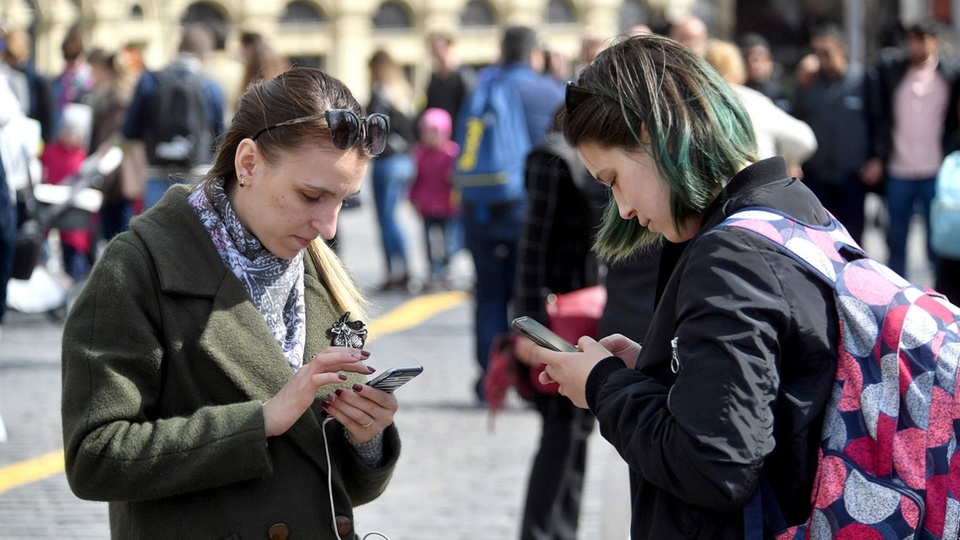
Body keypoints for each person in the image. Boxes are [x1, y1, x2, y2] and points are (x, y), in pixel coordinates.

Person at [61, 66, 402, 539]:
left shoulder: (317, 273)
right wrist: (259, 422)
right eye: (311, 196)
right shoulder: (140, 266)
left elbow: (325, 483)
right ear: (248, 164)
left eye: (345, 201)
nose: (329, 227)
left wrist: (367, 439)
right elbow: (94, 456)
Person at [529, 34, 842, 538]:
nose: (622, 208)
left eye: (613, 179)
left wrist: (602, 386)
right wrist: (662, 370)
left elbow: (714, 465)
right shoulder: (792, 208)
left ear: (652, 137)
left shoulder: (731, 257)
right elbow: (768, 398)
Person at [512, 107, 602, 540]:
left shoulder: (584, 156)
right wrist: (529, 328)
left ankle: (562, 531)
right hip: (555, 320)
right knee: (561, 432)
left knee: (577, 431)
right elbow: (533, 246)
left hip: (586, 313)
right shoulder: (553, 158)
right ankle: (541, 533)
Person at [461, 25, 564, 402]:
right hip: (526, 210)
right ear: (535, 53)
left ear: (502, 52)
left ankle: (489, 376)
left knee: (488, 294)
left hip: (479, 209)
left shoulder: (482, 89)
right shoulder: (549, 92)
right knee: (527, 293)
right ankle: (528, 377)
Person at [872, 20, 960, 278]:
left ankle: (938, 297)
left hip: (936, 170)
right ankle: (896, 297)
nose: (916, 46)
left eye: (922, 40)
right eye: (911, 40)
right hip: (899, 169)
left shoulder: (949, 74)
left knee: (939, 243)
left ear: (935, 42)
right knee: (895, 241)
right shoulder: (893, 70)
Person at [792, 23, 882, 244]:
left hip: (852, 177)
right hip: (815, 177)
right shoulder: (808, 82)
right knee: (816, 241)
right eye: (816, 52)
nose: (820, 58)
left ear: (841, 50)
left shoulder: (863, 79)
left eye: (826, 52)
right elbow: (795, 123)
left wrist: (877, 158)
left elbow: (878, 120)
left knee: (852, 241)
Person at [121, 23, 226, 211]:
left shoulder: (149, 81)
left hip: (156, 172)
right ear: (205, 56)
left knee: (154, 227)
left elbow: (129, 131)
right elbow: (220, 137)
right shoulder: (210, 86)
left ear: (178, 48)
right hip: (196, 176)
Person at [703, 39, 817, 178]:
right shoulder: (751, 99)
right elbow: (805, 139)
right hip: (757, 180)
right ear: (737, 67)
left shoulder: (695, 103)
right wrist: (785, 161)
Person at [367, 48, 417, 290]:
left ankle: (396, 271)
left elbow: (374, 129)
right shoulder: (402, 92)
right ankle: (404, 269)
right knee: (394, 217)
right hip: (405, 161)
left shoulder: (380, 95)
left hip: (387, 162)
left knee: (386, 219)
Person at [86, 48, 136, 241]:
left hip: (114, 174)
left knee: (117, 232)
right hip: (113, 173)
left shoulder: (115, 98)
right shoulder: (114, 94)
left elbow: (111, 137)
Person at [40, 102, 93, 282]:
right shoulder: (51, 151)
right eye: (67, 130)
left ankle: (78, 281)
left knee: (74, 251)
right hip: (51, 207)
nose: (70, 136)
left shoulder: (83, 159)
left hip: (73, 213)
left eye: (75, 132)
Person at [409, 107, 459, 290]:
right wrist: (412, 198)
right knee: (429, 242)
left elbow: (457, 181)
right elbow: (415, 180)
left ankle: (447, 270)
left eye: (434, 132)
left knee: (449, 241)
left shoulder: (451, 153)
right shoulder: (419, 153)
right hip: (427, 205)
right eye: (427, 132)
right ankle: (433, 272)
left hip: (448, 205)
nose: (430, 137)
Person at [737, 32, 790, 111]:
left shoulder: (780, 95)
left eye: (759, 56)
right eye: (746, 56)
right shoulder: (735, 94)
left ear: (769, 60)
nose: (752, 63)